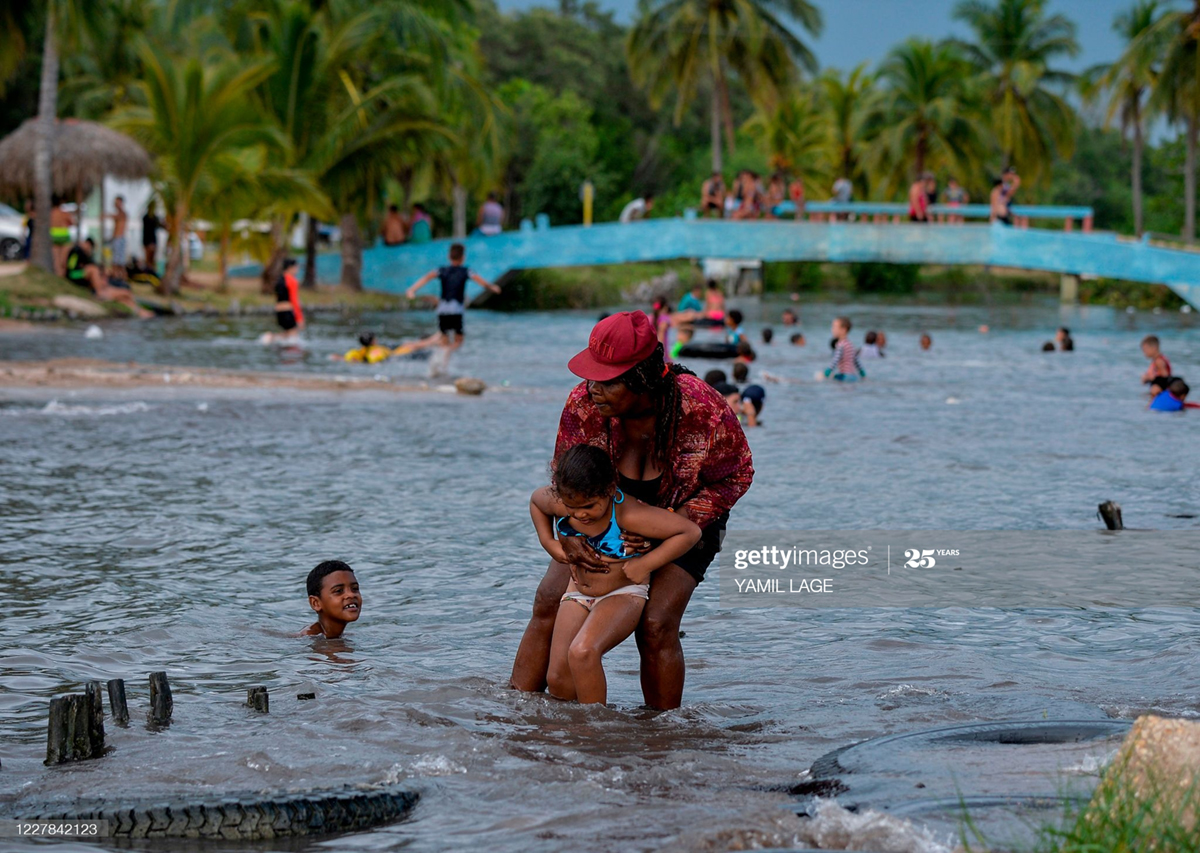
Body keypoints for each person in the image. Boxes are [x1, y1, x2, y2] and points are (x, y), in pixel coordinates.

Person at [511, 311, 754, 710]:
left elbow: (737, 474)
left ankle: (661, 733)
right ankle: (517, 714)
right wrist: (565, 538)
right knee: (549, 598)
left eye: (607, 381)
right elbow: (566, 485)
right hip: (600, 514)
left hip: (688, 519)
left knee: (656, 623)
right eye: (590, 377)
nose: (592, 389)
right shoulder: (583, 404)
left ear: (643, 378)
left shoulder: (701, 407)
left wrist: (673, 523)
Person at [531, 445, 701, 704]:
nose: (580, 514)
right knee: (558, 678)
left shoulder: (629, 514)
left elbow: (689, 532)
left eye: (589, 506)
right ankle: (572, 727)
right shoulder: (566, 501)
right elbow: (536, 501)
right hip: (577, 593)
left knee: (583, 652)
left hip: (622, 594)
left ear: (610, 490)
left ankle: (599, 725)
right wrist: (549, 543)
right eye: (572, 507)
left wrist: (646, 564)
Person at [405, 242, 501, 356]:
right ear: (463, 258)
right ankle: (421, 347)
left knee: (444, 340)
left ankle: (437, 360)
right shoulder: (467, 271)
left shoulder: (440, 270)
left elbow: (426, 278)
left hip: (442, 310)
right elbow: (483, 282)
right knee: (458, 341)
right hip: (456, 310)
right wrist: (493, 287)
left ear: (449, 256)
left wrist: (412, 290)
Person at [65, 238, 152, 317]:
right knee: (125, 294)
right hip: (81, 279)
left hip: (101, 286)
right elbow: (73, 267)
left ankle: (139, 311)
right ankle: (139, 311)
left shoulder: (86, 257)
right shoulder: (78, 251)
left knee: (125, 297)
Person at [300, 560, 361, 639]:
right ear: (316, 603)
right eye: (338, 591)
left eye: (355, 588)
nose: (351, 595)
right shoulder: (312, 639)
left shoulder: (340, 636)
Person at [270, 258, 304, 340]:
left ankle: (271, 338)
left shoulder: (279, 280)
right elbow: (294, 300)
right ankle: (270, 337)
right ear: (290, 268)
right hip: (287, 311)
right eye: (296, 267)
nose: (297, 270)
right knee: (293, 335)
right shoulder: (292, 280)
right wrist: (299, 318)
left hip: (279, 311)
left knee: (287, 335)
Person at [825, 316, 864, 381]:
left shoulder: (840, 345)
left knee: (822, 377)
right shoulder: (850, 344)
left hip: (844, 377)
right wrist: (862, 372)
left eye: (834, 327)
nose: (832, 329)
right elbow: (856, 361)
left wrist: (828, 371)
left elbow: (835, 360)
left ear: (843, 330)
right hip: (853, 377)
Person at [50, 200, 74, 276]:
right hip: (64, 236)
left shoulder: (50, 213)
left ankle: (58, 275)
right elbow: (71, 222)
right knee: (63, 259)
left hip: (53, 235)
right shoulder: (64, 213)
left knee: (56, 259)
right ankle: (63, 275)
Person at [108, 195, 128, 280]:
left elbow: (118, 216)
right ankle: (116, 277)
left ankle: (121, 278)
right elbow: (115, 228)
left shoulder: (122, 214)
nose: (116, 204)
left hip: (119, 239)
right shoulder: (118, 215)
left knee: (119, 262)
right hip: (116, 239)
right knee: (116, 261)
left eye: (118, 202)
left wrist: (106, 216)